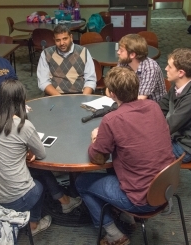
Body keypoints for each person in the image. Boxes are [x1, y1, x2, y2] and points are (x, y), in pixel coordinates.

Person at [75, 66, 175, 245]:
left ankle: (114, 234)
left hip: (141, 199)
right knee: (117, 167)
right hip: (165, 188)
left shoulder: (112, 119)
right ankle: (127, 217)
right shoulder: (154, 106)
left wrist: (95, 140)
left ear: (111, 94)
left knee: (81, 182)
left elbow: (98, 158)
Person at [0, 79, 82, 235]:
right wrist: (29, 150)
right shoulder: (24, 126)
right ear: (21, 100)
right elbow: (41, 153)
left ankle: (64, 200)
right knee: (38, 186)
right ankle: (34, 224)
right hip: (15, 197)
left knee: (38, 171)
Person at [158, 48, 191, 163]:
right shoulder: (177, 87)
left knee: (140, 149)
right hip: (175, 138)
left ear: (181, 73)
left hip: (184, 148)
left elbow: (169, 127)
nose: (166, 69)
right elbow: (161, 107)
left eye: (170, 67)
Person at [37, 24, 96, 96]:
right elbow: (43, 82)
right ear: (54, 40)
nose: (62, 43)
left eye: (65, 39)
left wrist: (83, 98)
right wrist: (60, 98)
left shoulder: (84, 52)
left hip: (80, 94)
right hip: (55, 95)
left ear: (71, 37)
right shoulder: (46, 54)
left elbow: (90, 80)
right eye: (58, 40)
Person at [117, 34, 166, 102]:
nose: (118, 52)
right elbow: (113, 87)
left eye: (121, 50)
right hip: (129, 101)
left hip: (152, 107)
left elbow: (141, 98)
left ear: (132, 55)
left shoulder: (150, 68)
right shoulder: (123, 62)